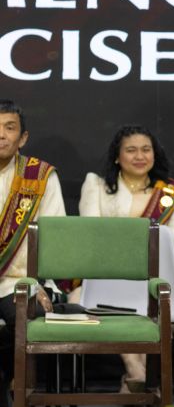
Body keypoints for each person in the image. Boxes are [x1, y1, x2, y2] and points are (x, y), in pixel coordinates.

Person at [78, 123, 174, 392]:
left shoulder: (172, 194)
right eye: (131, 150)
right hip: (106, 276)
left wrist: (125, 236)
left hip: (155, 276)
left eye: (146, 150)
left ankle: (137, 381)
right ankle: (136, 372)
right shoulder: (97, 186)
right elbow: (89, 233)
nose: (140, 156)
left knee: (160, 302)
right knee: (89, 302)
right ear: (117, 156)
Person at [0, 100, 66, 400]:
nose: (1, 135)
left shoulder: (39, 177)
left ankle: (19, 388)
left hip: (20, 282)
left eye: (9, 128)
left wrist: (37, 285)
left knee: (26, 311)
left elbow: (54, 241)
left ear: (22, 138)